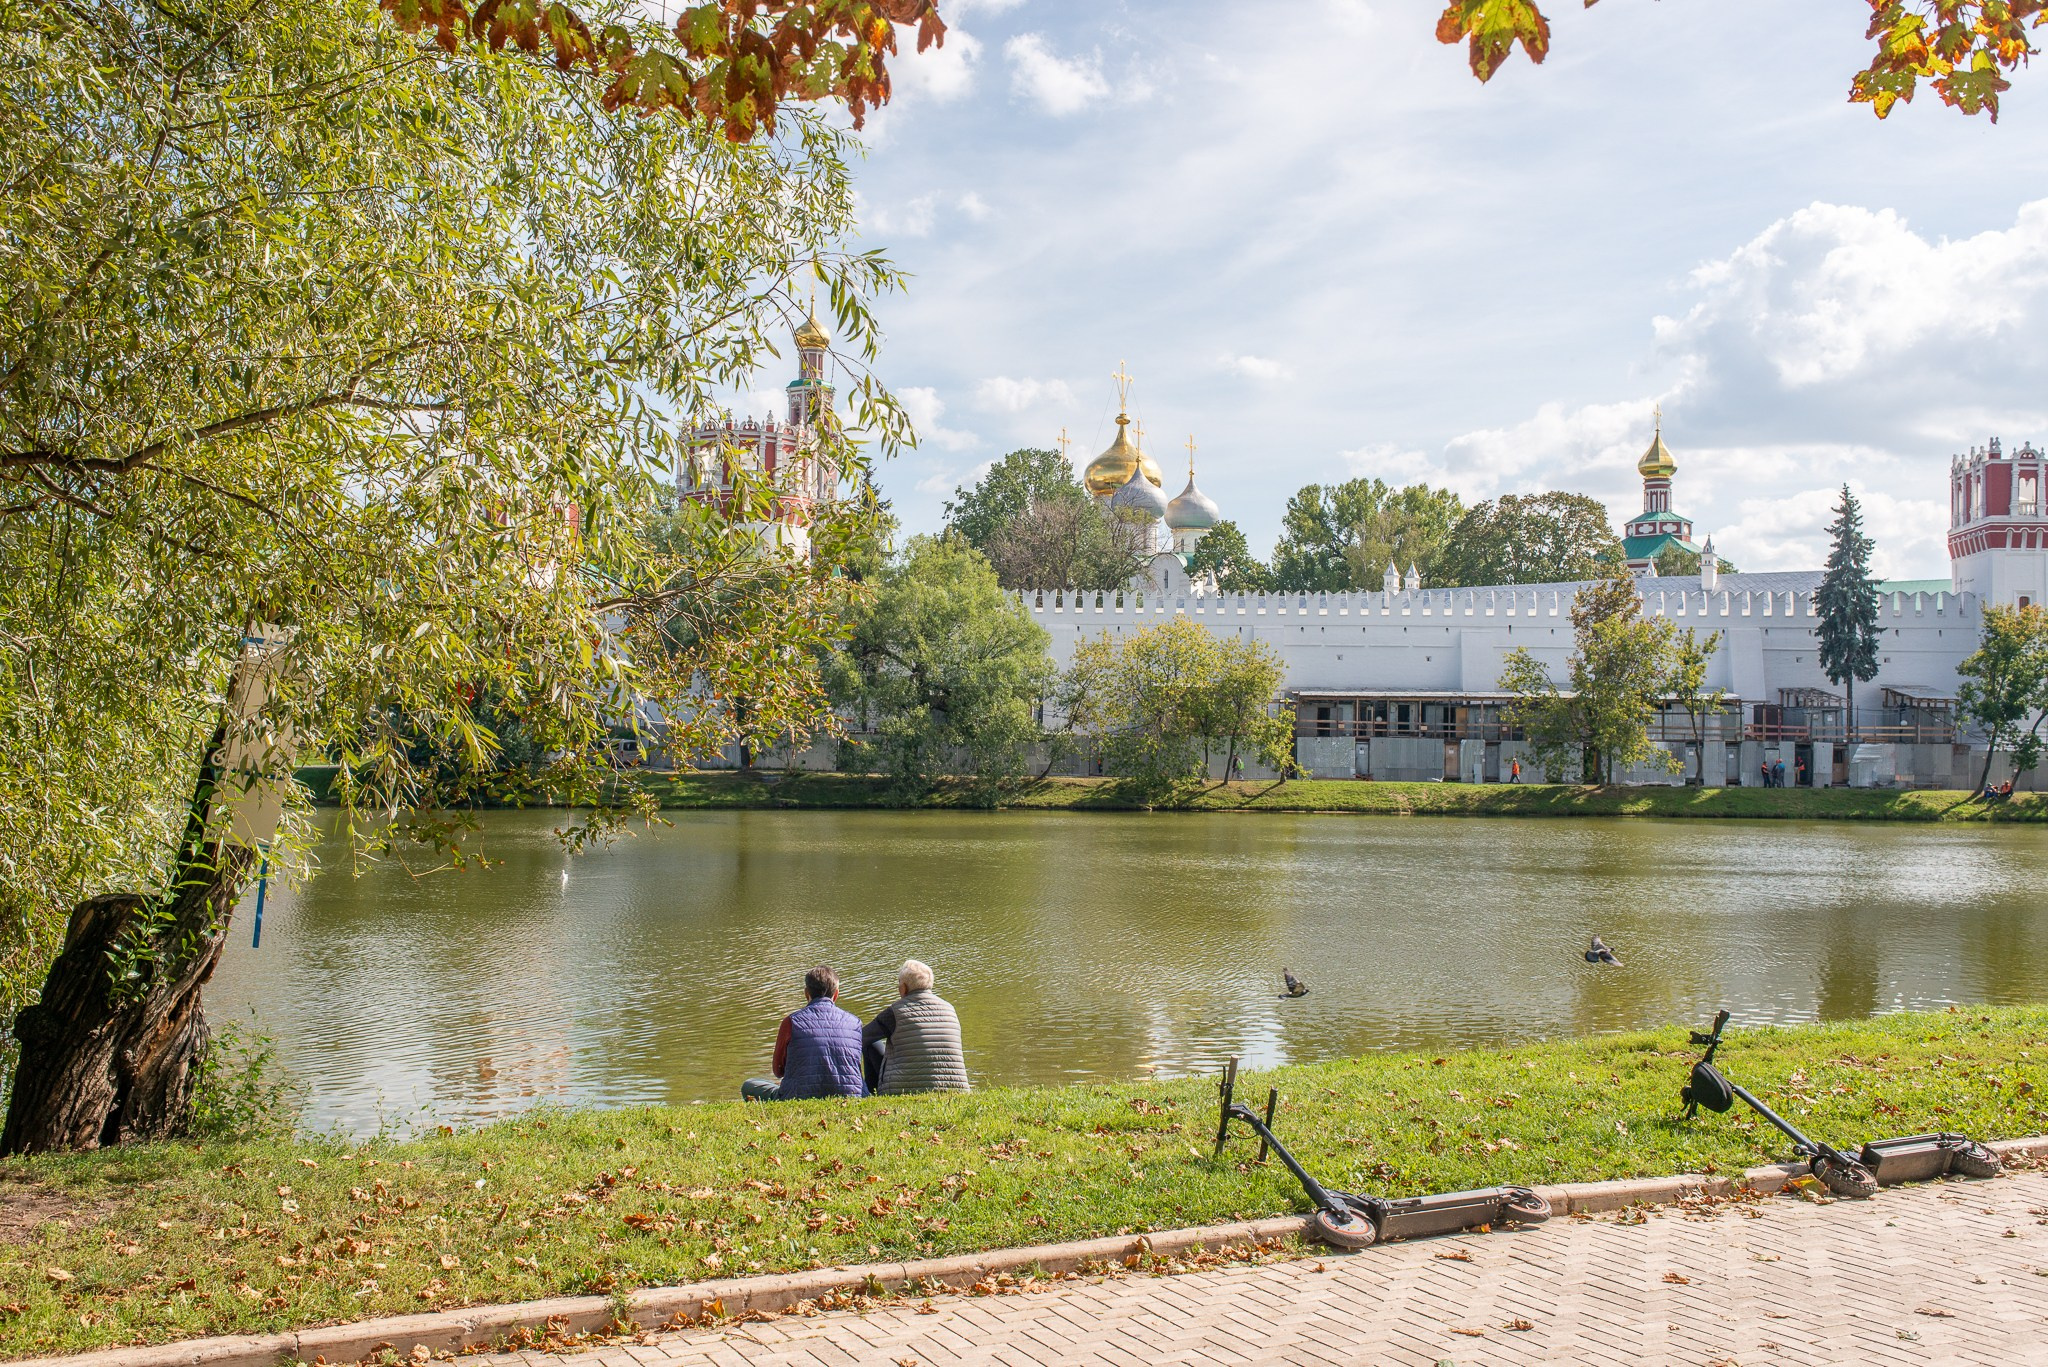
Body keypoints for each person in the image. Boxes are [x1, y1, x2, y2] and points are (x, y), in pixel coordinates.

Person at [741, 966, 866, 1102]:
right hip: (851, 1096)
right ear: (836, 994)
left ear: (806, 993)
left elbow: (778, 1071)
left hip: (796, 1096)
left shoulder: (791, 1022)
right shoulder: (855, 1023)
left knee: (749, 1085)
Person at [862, 959, 970, 1096]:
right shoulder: (950, 1009)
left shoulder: (895, 1012)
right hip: (956, 1090)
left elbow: (859, 1037)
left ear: (904, 988)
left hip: (903, 1089)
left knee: (871, 1043)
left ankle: (870, 1094)